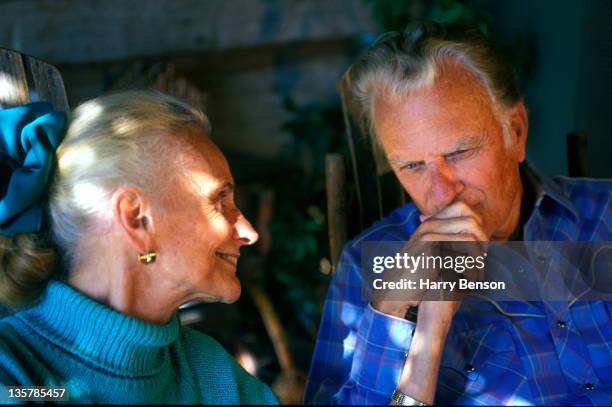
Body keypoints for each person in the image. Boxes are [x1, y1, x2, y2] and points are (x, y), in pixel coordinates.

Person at [306, 22, 612, 405]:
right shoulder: (368, 267)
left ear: (514, 132)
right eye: (412, 166)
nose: (441, 193)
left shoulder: (604, 215)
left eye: (458, 153)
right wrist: (403, 312)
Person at [0, 91, 278, 404]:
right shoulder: (13, 376)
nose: (249, 232)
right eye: (220, 201)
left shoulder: (210, 369)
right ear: (137, 219)